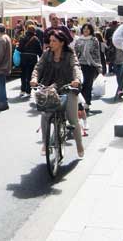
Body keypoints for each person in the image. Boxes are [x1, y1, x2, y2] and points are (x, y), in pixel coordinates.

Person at [30, 30, 84, 158]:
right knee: (45, 115)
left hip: (68, 87)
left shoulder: (70, 54)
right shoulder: (46, 54)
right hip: (50, 88)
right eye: (50, 40)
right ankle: (45, 142)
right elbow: (38, 67)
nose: (51, 43)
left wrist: (77, 80)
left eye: (54, 41)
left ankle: (79, 144)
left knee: (72, 119)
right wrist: (34, 79)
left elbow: (76, 67)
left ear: (62, 42)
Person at [74, 24, 102, 110]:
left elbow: (97, 53)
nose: (86, 30)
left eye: (88, 29)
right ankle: (80, 102)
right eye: (84, 28)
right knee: (81, 84)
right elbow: (75, 52)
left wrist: (99, 65)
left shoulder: (94, 40)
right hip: (80, 64)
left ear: (91, 30)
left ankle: (87, 102)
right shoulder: (79, 40)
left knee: (88, 84)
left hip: (90, 65)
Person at [17, 25, 43, 98]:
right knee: (30, 75)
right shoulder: (36, 39)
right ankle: (28, 91)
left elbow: (19, 49)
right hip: (32, 58)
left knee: (23, 74)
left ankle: (22, 90)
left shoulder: (22, 38)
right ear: (34, 31)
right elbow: (40, 51)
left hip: (24, 58)